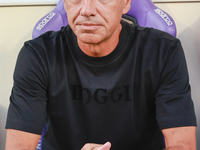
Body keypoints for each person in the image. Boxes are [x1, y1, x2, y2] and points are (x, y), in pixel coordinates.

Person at [5, 0, 197, 149]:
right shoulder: (38, 55)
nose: (87, 9)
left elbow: (183, 146)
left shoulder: (163, 51)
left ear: (126, 3)